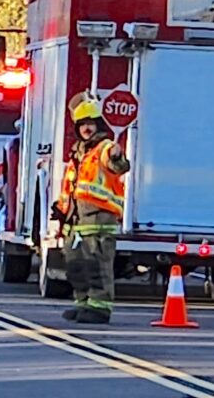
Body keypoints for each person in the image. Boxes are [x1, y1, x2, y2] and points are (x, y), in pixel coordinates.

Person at [51, 99, 131, 324]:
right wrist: (62, 210)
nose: (86, 128)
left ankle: (99, 308)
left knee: (97, 267)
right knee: (76, 266)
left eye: (90, 123)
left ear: (98, 125)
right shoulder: (79, 152)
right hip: (77, 222)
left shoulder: (104, 148)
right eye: (82, 124)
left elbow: (119, 166)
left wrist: (117, 156)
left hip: (99, 221)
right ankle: (83, 303)